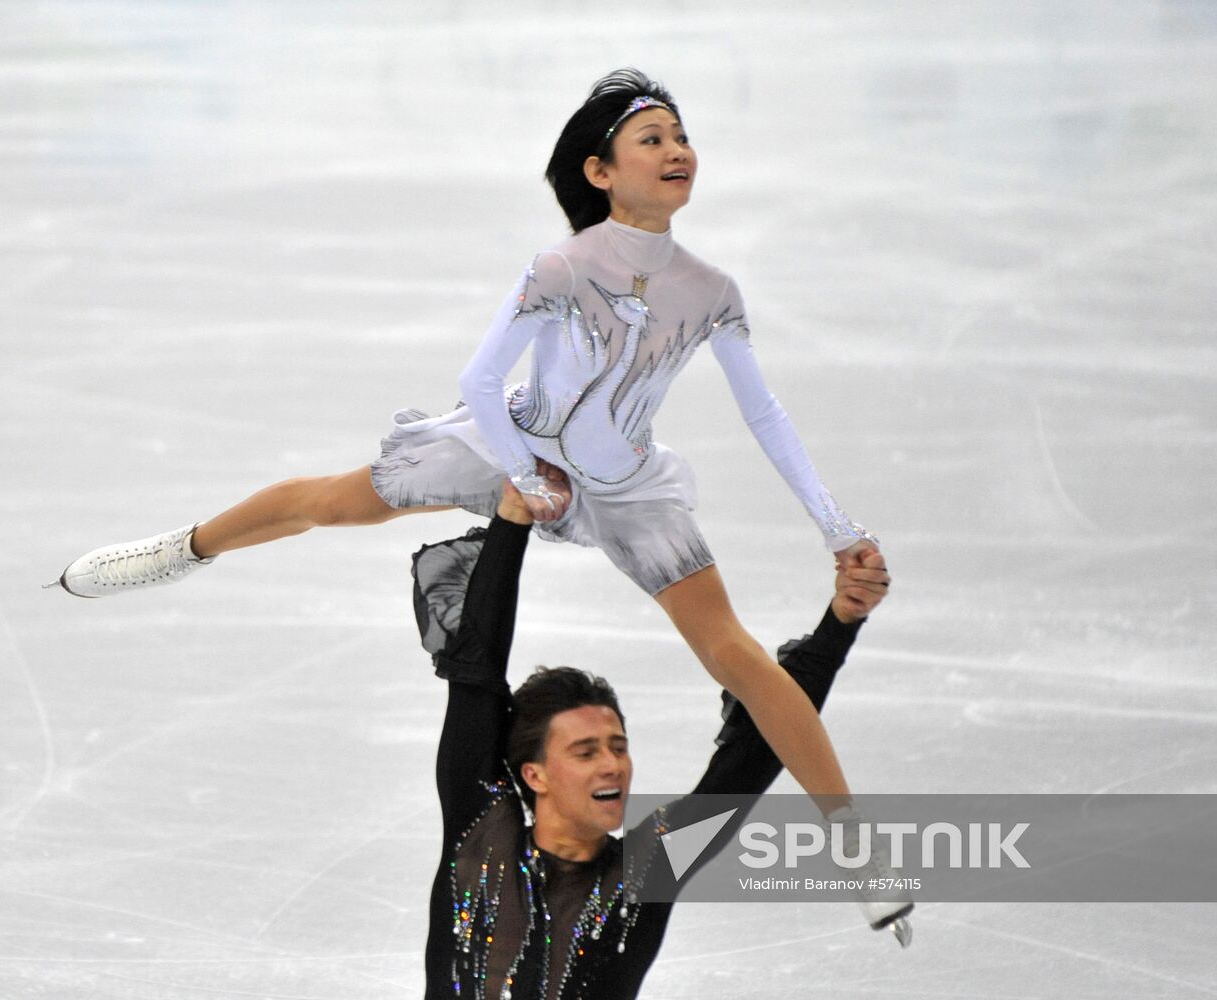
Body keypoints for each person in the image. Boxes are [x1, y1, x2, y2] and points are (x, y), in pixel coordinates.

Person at [50, 68, 878, 814]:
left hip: (629, 485)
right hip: (509, 441)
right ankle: (183, 549)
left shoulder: (711, 291)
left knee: (735, 656)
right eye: (651, 139)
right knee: (339, 502)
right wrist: (523, 472)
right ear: (600, 171)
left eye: (682, 137)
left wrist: (835, 529)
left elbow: (763, 414)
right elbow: (481, 382)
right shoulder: (560, 267)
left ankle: (856, 848)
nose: (677, 151)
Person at [415, 478, 907, 999]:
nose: (612, 765)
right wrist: (512, 519)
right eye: (585, 752)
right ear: (534, 774)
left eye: (618, 746)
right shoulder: (482, 833)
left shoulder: (645, 873)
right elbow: (477, 675)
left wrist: (842, 621)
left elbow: (755, 753)